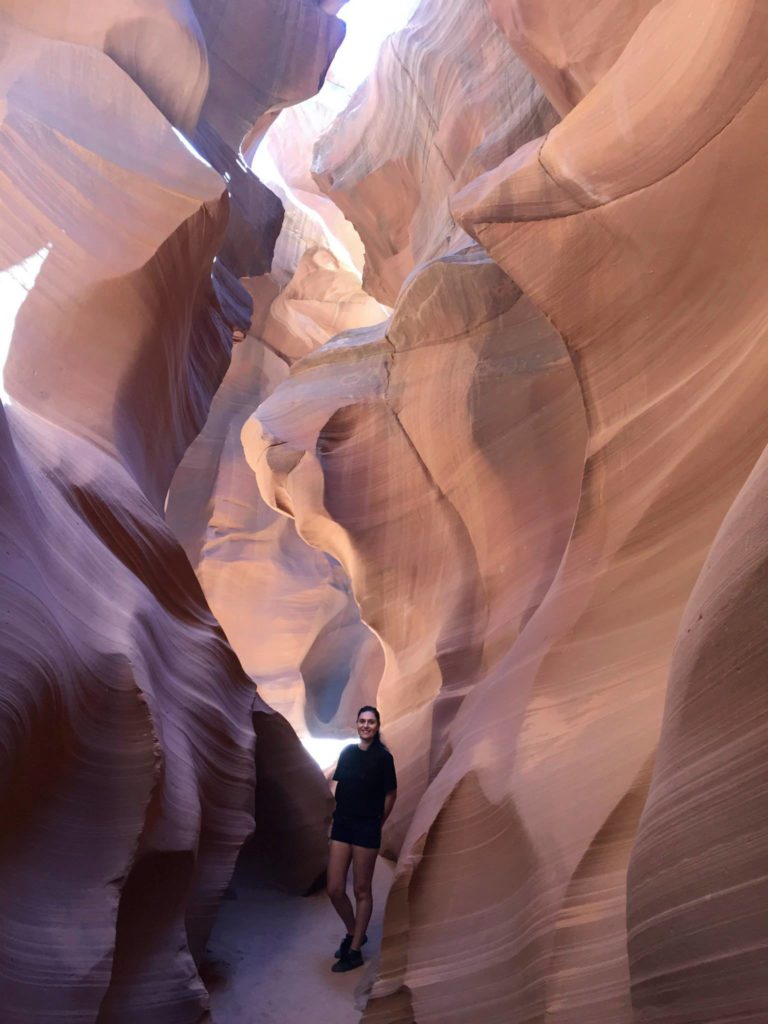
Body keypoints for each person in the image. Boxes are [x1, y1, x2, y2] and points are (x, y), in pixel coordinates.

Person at [327, 706, 397, 973]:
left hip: (367, 827)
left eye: (371, 722)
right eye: (362, 721)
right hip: (343, 824)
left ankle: (354, 951)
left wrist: (379, 821)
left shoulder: (383, 758)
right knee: (334, 888)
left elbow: (391, 794)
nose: (366, 725)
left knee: (361, 890)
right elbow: (340, 785)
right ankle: (354, 931)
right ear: (356, 724)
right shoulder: (347, 753)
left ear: (378, 726)